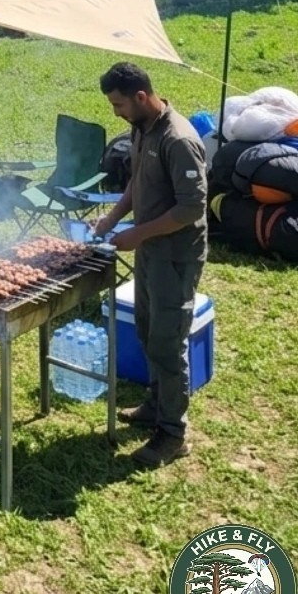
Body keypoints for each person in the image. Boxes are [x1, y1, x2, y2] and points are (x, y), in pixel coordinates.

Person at [93, 61, 207, 469]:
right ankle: (156, 404)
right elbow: (137, 183)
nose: (116, 112)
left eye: (119, 104)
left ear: (141, 97)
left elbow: (192, 207)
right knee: (145, 326)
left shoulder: (179, 139)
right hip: (150, 250)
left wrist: (138, 235)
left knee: (167, 339)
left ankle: (173, 434)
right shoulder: (142, 129)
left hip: (175, 255)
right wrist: (112, 219)